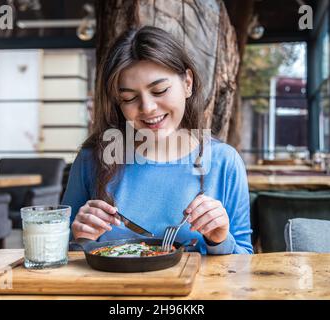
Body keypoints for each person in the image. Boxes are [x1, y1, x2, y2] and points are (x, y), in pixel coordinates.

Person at [62, 26, 253, 254]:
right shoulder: (91, 159)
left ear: (187, 83)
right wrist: (78, 239)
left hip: (196, 290)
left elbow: (244, 263)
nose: (147, 108)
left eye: (160, 90)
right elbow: (58, 255)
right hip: (112, 289)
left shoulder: (224, 161)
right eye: (129, 98)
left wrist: (219, 240)